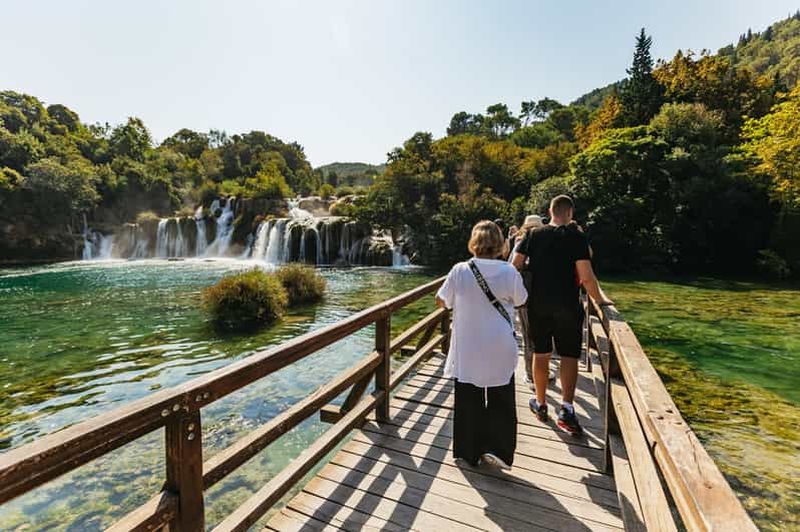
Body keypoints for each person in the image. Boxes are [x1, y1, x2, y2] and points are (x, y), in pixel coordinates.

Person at [512, 195, 613, 435]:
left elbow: (514, 265)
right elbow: (586, 277)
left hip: (538, 305)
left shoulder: (533, 234)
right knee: (569, 355)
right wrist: (601, 301)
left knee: (541, 352)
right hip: (568, 305)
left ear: (550, 211)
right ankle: (567, 408)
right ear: (570, 213)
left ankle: (541, 403)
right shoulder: (577, 237)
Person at [436, 220, 527, 469]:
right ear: (500, 244)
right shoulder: (509, 272)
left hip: (468, 346)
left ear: (474, 243)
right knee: (502, 397)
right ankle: (498, 450)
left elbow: (442, 300)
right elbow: (521, 300)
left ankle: (468, 451)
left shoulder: (459, 270)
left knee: (468, 398)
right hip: (499, 344)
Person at [509, 215, 545, 386]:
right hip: (535, 296)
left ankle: (535, 373)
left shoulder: (523, 243)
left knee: (533, 336)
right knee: (534, 336)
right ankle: (533, 374)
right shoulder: (542, 244)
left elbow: (511, 267)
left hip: (531, 295)